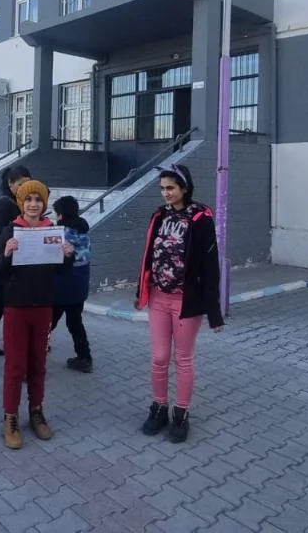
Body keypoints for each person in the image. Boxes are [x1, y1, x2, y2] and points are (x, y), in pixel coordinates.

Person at [134, 163, 224, 443]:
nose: (165, 193)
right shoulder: (159, 216)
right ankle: (159, 407)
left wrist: (214, 312)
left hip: (186, 301)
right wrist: (141, 291)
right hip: (158, 297)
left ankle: (181, 413)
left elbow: (210, 266)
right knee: (159, 357)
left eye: (171, 188)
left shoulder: (200, 218)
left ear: (185, 188)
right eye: (162, 188)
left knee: (182, 359)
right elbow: (149, 255)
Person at [0, 180, 74, 449]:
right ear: (21, 203)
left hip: (43, 307)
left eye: (38, 200)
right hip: (16, 307)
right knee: (15, 367)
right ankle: (10, 417)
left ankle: (36, 411)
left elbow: (58, 268)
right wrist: (6, 253)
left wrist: (68, 256)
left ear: (44, 204)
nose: (33, 204)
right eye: (29, 199)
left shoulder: (52, 230)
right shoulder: (11, 230)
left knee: (38, 365)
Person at [0, 164, 32, 356]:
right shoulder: (3, 205)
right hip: (2, 259)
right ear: (10, 183)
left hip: (17, 259)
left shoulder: (21, 202)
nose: (25, 188)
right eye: (21, 184)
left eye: (28, 183)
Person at [51, 196, 92, 373]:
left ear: (60, 214)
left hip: (62, 287)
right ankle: (85, 357)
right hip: (80, 286)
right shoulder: (84, 231)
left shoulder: (61, 233)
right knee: (75, 322)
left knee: (48, 322)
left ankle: (36, 353)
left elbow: (55, 261)